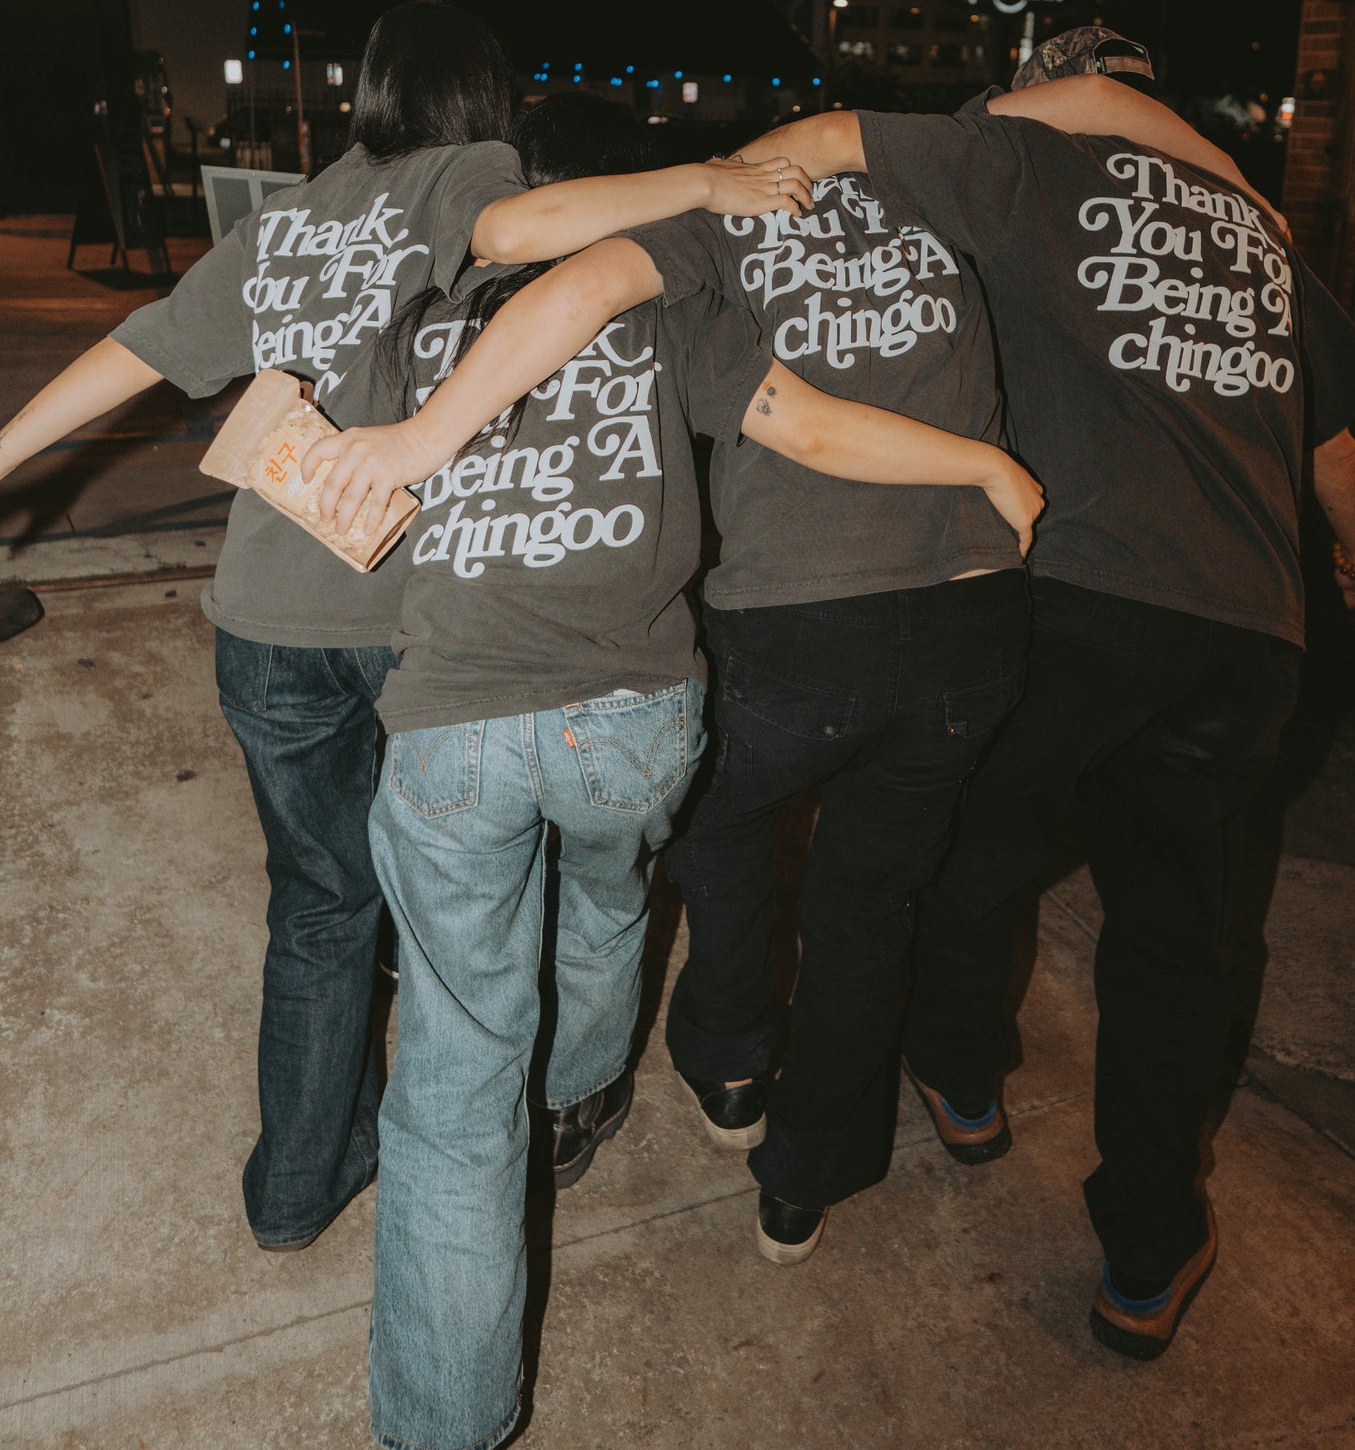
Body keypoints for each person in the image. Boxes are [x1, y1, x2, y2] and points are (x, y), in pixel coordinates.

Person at [297, 67, 1201, 1269]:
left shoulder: (720, 211)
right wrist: (1232, 179)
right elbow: (1089, 95)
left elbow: (576, 286)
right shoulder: (946, 189)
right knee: (869, 900)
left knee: (710, 822)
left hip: (794, 623)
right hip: (971, 627)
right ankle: (803, 1184)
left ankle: (727, 1060)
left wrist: (420, 436)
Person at [306, 91, 1044, 1450]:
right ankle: (585, 1093)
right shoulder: (674, 308)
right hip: (635, 718)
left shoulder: (415, 318)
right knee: (609, 891)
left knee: (458, 1080)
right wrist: (982, 462)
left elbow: (323, 494)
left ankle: (448, 1448)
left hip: (456, 723)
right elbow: (804, 423)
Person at [0, 6, 814, 1255]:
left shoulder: (285, 218)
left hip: (260, 625)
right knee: (464, 901)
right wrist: (711, 178)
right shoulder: (464, 176)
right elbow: (536, 227)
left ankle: (295, 1178)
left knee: (319, 902)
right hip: (404, 620)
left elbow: (139, 350)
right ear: (483, 102)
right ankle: (497, 1132)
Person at [744, 25, 1355, 1359]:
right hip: (1244, 636)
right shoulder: (1255, 225)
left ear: (1046, 90)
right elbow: (1329, 445)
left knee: (972, 852)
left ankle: (966, 1083)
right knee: (1179, 940)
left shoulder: (1019, 168)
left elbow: (821, 145)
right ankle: (1148, 1250)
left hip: (1071, 600)